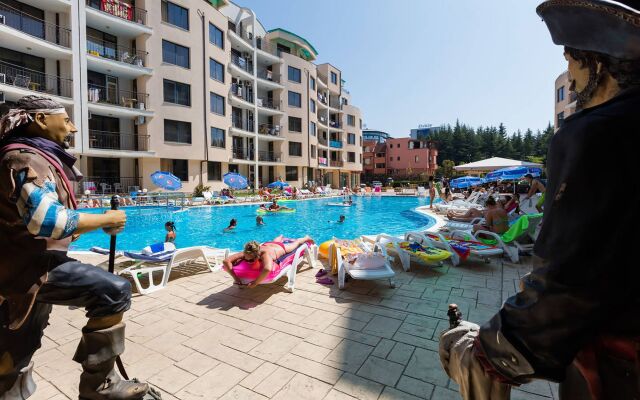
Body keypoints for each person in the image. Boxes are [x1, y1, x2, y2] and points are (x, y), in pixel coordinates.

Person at [439, 2, 640, 398]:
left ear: (597, 65)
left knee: (464, 351)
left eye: (572, 63)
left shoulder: (595, 133)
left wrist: (498, 345)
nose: (571, 75)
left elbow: (571, 274)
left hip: (617, 365)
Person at [0, 96, 150, 399]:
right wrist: (104, 218)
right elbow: (46, 221)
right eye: (66, 119)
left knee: (17, 348)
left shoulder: (29, 155)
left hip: (25, 266)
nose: (73, 128)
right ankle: (100, 386)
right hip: (30, 268)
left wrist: (84, 226)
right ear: (41, 119)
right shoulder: (24, 158)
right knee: (113, 291)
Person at [222, 235, 311, 288]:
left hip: (280, 248)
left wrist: (256, 282)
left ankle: (306, 237)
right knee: (274, 241)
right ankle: (280, 236)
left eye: (251, 260)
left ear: (258, 255)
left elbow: (267, 269)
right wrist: (236, 278)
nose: (248, 261)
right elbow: (226, 261)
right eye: (245, 258)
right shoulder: (247, 253)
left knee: (296, 243)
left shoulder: (264, 253)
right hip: (267, 244)